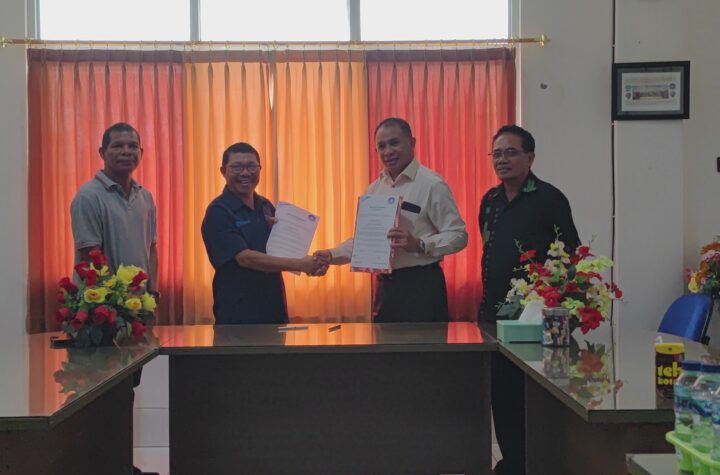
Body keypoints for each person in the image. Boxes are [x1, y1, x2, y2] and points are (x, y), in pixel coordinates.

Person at [479, 124, 580, 475]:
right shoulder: (490, 201)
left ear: (530, 157)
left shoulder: (550, 199)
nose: (502, 159)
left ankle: (538, 463)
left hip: (535, 316)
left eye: (511, 152)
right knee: (501, 393)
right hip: (494, 314)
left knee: (534, 396)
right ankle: (511, 463)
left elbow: (570, 255)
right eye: (497, 153)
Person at [314, 117, 468, 322]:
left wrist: (420, 244)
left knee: (426, 343)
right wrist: (330, 255)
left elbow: (458, 235)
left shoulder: (432, 184)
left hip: (422, 286)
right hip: (385, 288)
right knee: (384, 343)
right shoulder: (374, 190)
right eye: (382, 146)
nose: (388, 152)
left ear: (412, 143)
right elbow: (365, 242)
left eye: (394, 143)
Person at [70, 122, 159, 475]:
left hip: (135, 314)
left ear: (141, 153)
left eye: (132, 146)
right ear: (102, 152)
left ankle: (121, 464)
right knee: (101, 396)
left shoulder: (144, 197)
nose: (126, 151)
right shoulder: (88, 197)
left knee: (127, 391)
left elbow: (152, 249)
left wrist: (151, 295)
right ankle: (103, 466)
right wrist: (120, 305)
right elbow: (90, 257)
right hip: (102, 317)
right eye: (118, 145)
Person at [201, 142, 327, 325]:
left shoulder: (266, 206)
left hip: (274, 308)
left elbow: (281, 251)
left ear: (260, 169)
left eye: (251, 166)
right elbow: (246, 259)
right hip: (239, 313)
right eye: (237, 167)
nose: (245, 173)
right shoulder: (218, 211)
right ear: (223, 171)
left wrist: (313, 263)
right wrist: (301, 264)